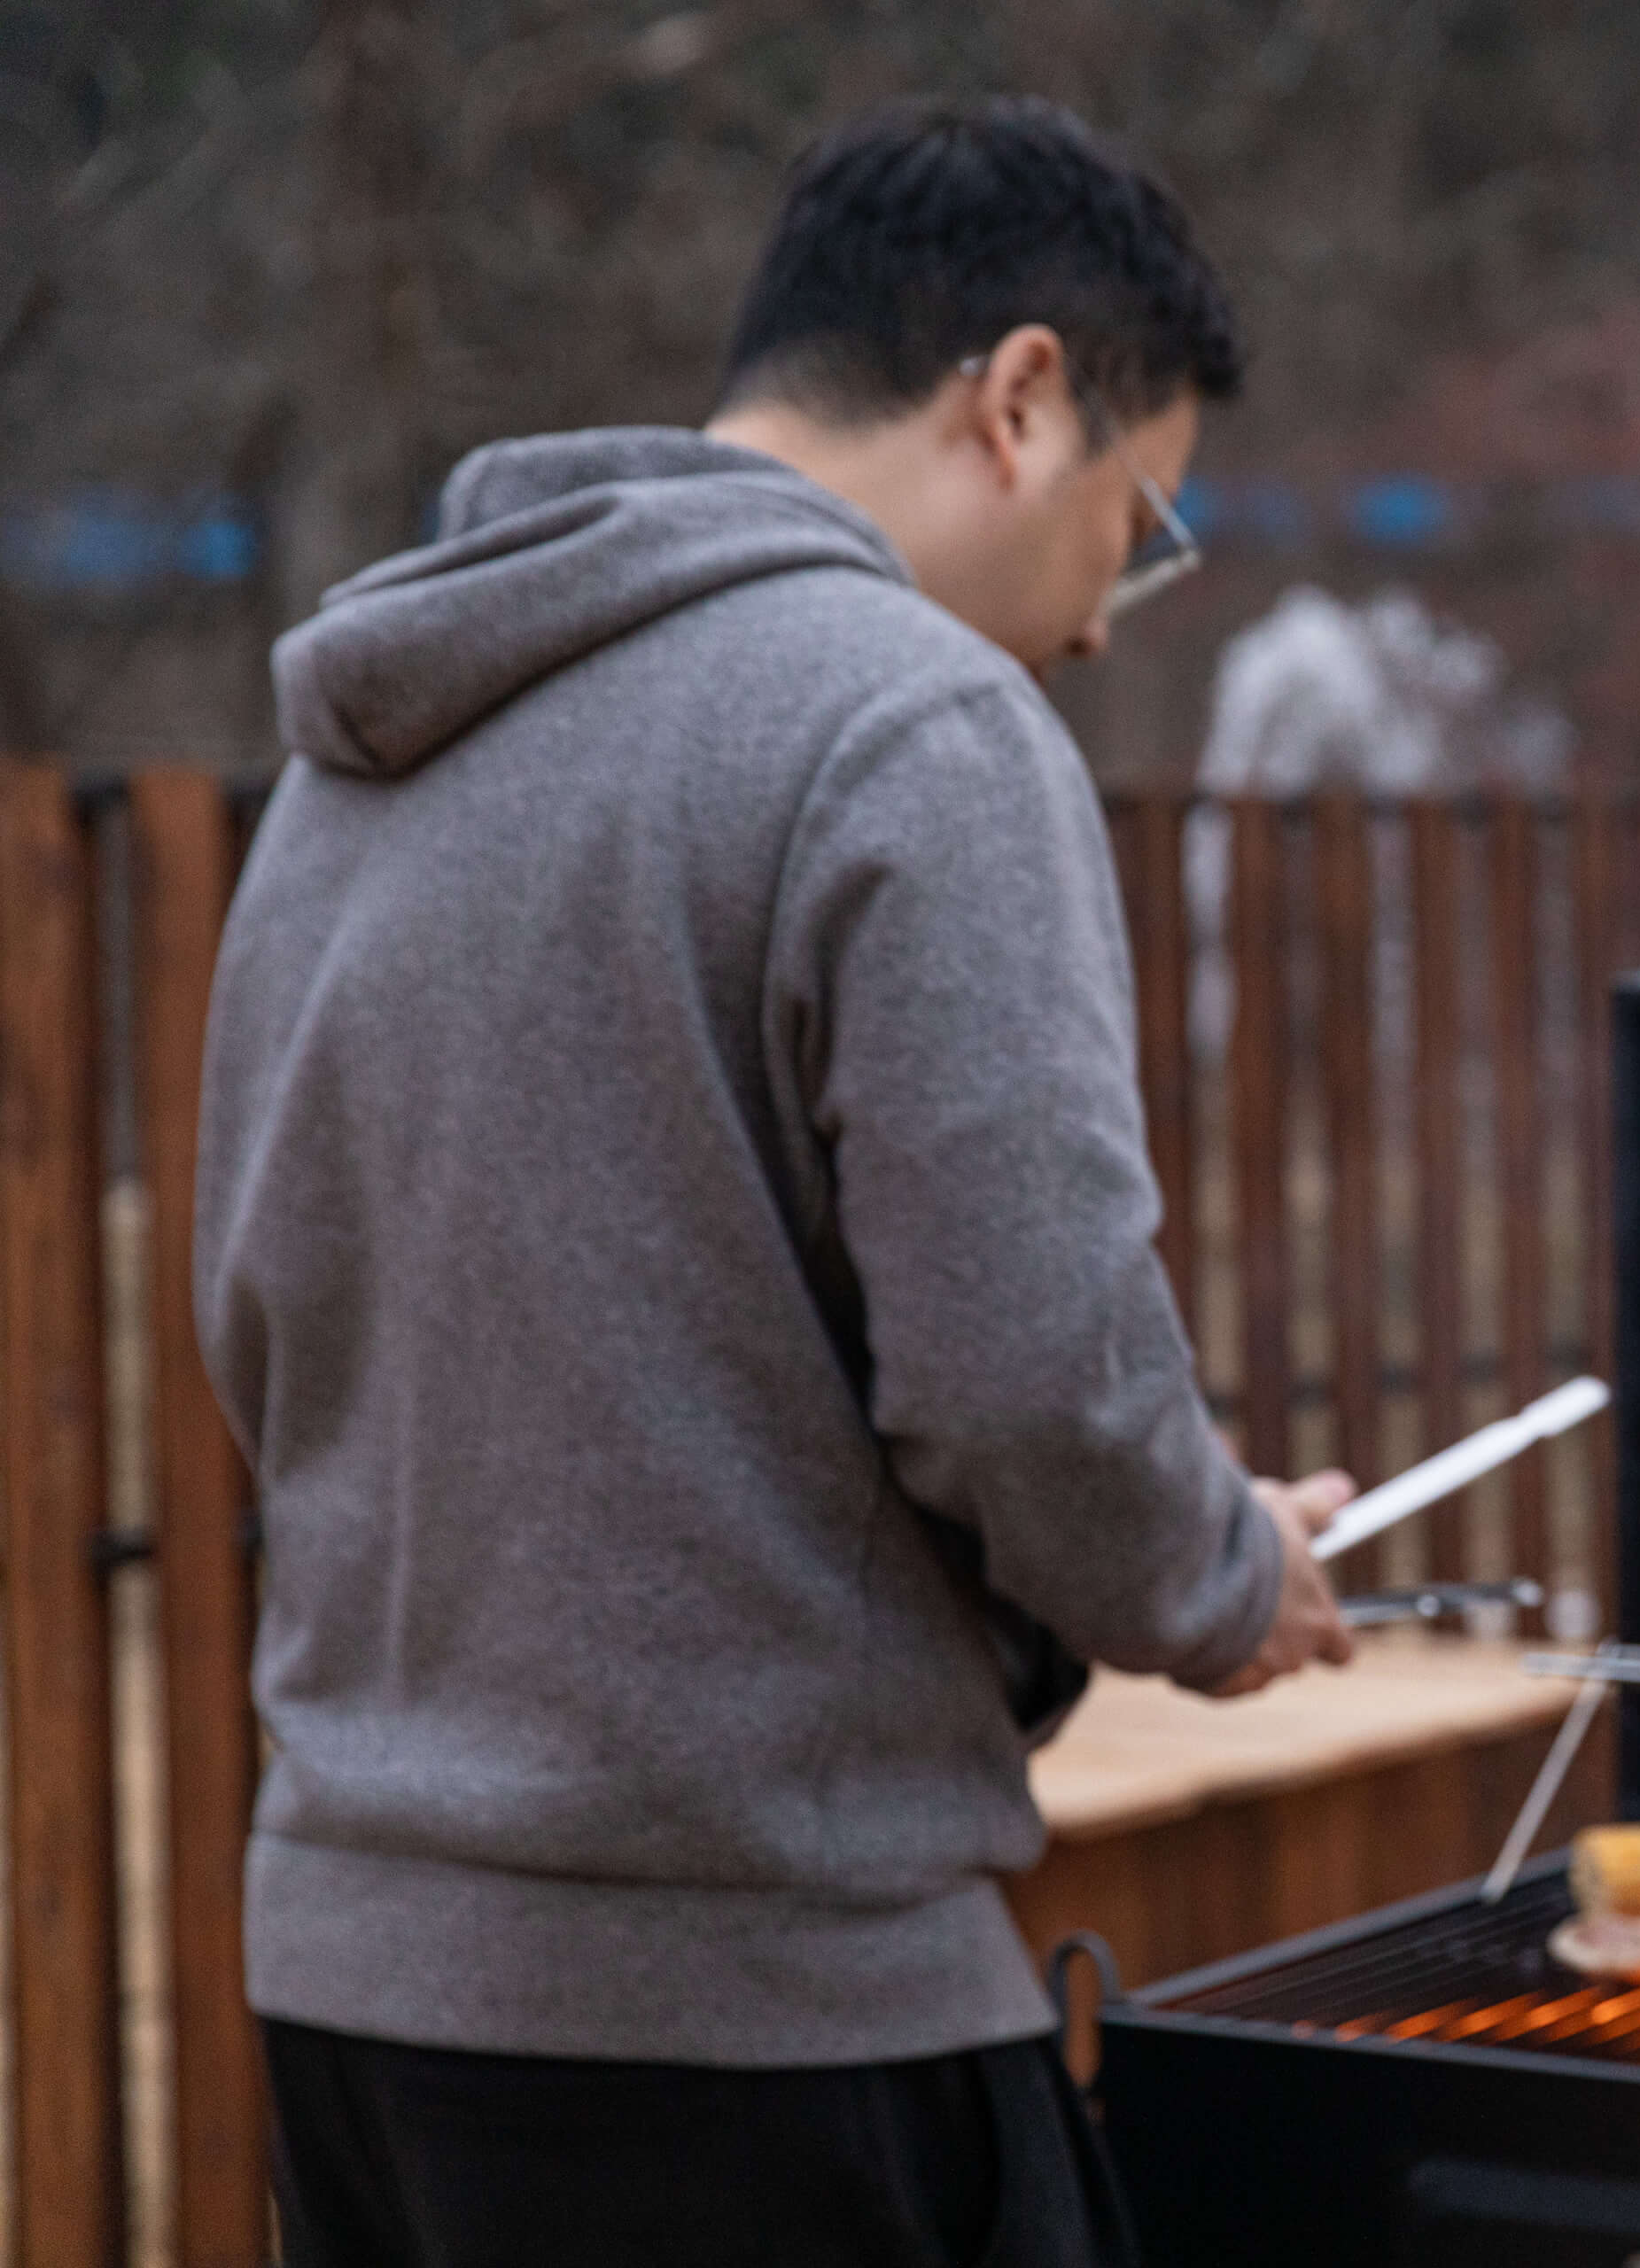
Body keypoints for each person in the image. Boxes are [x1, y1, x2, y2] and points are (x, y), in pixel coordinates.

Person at [197, 96, 1350, 2267]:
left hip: (353, 1998)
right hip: (759, 2024)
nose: (1109, 618)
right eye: (1141, 519)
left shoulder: (366, 742)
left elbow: (262, 1319)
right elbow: (1027, 1369)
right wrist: (1214, 1567)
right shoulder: (913, 720)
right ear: (1020, 400)